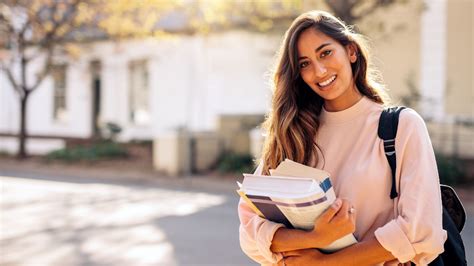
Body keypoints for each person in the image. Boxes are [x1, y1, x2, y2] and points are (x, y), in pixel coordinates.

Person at [238, 10, 447, 266]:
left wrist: (323, 263)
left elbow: (419, 232)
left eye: (325, 53)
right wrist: (315, 237)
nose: (319, 70)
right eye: (304, 63)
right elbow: (250, 230)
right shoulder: (295, 133)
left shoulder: (401, 126)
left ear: (351, 51)